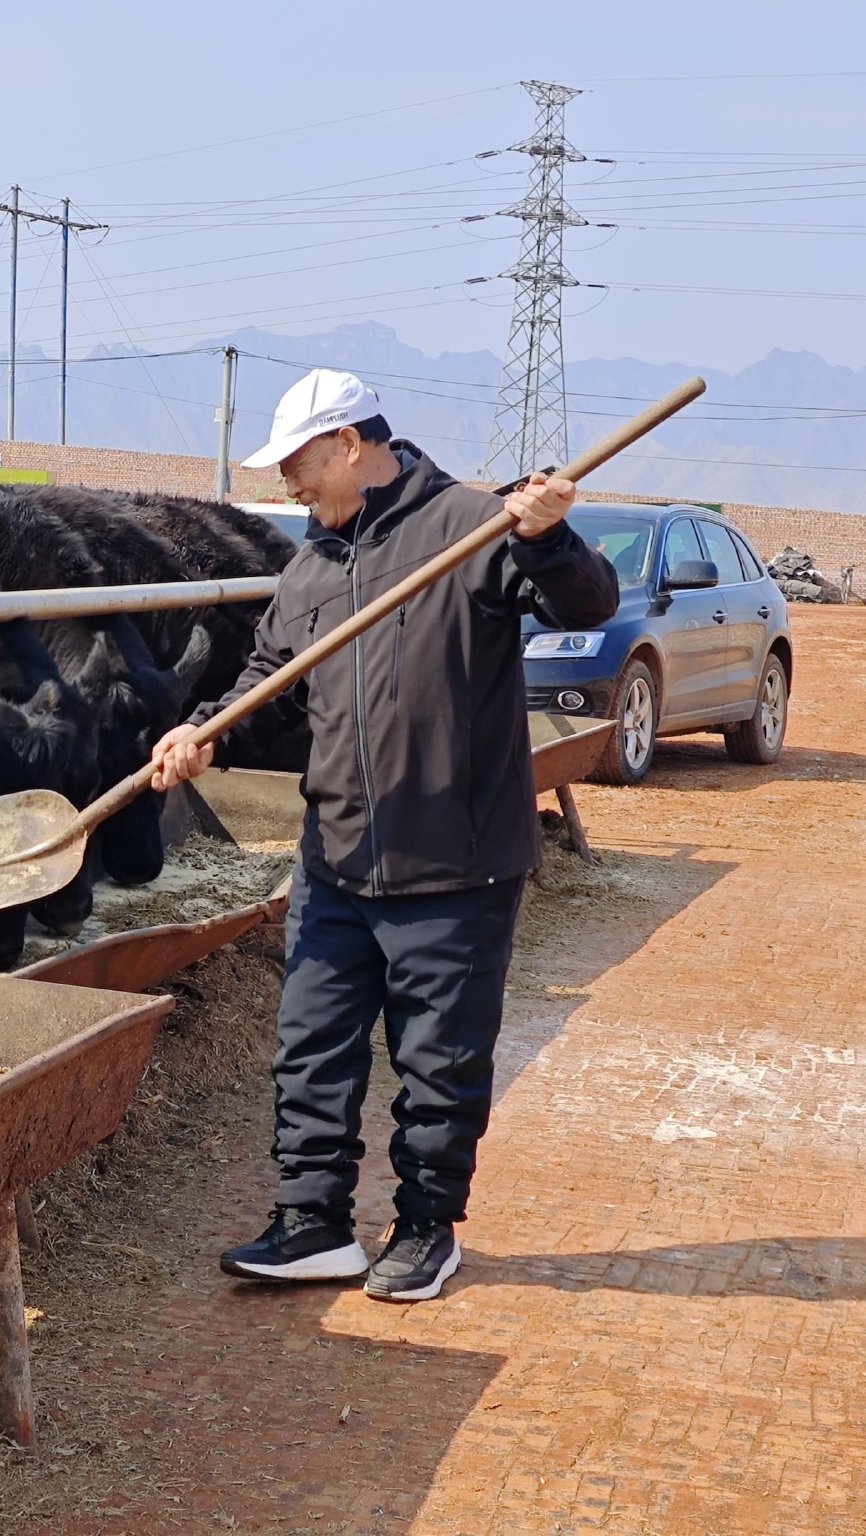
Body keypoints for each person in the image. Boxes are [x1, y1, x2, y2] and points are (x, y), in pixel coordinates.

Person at [149, 368, 618, 1303]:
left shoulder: (472, 529)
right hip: (337, 850)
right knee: (311, 1043)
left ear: (351, 445)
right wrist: (206, 728)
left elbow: (587, 606)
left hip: (456, 854)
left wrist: (551, 537)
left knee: (437, 1059)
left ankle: (426, 1227)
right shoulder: (314, 564)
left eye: (296, 464)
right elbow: (272, 673)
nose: (287, 484)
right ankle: (314, 1223)